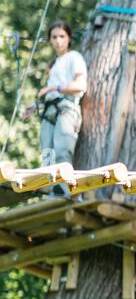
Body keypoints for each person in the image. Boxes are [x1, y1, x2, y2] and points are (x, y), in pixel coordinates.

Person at [21, 21, 86, 193]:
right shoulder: (53, 64)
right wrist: (34, 107)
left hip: (66, 109)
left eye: (62, 36)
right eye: (54, 37)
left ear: (69, 38)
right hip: (49, 110)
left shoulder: (74, 57)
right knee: (47, 155)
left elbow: (80, 85)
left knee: (63, 152)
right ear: (50, 40)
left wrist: (54, 88)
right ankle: (52, 194)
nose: (58, 41)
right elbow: (48, 95)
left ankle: (65, 193)